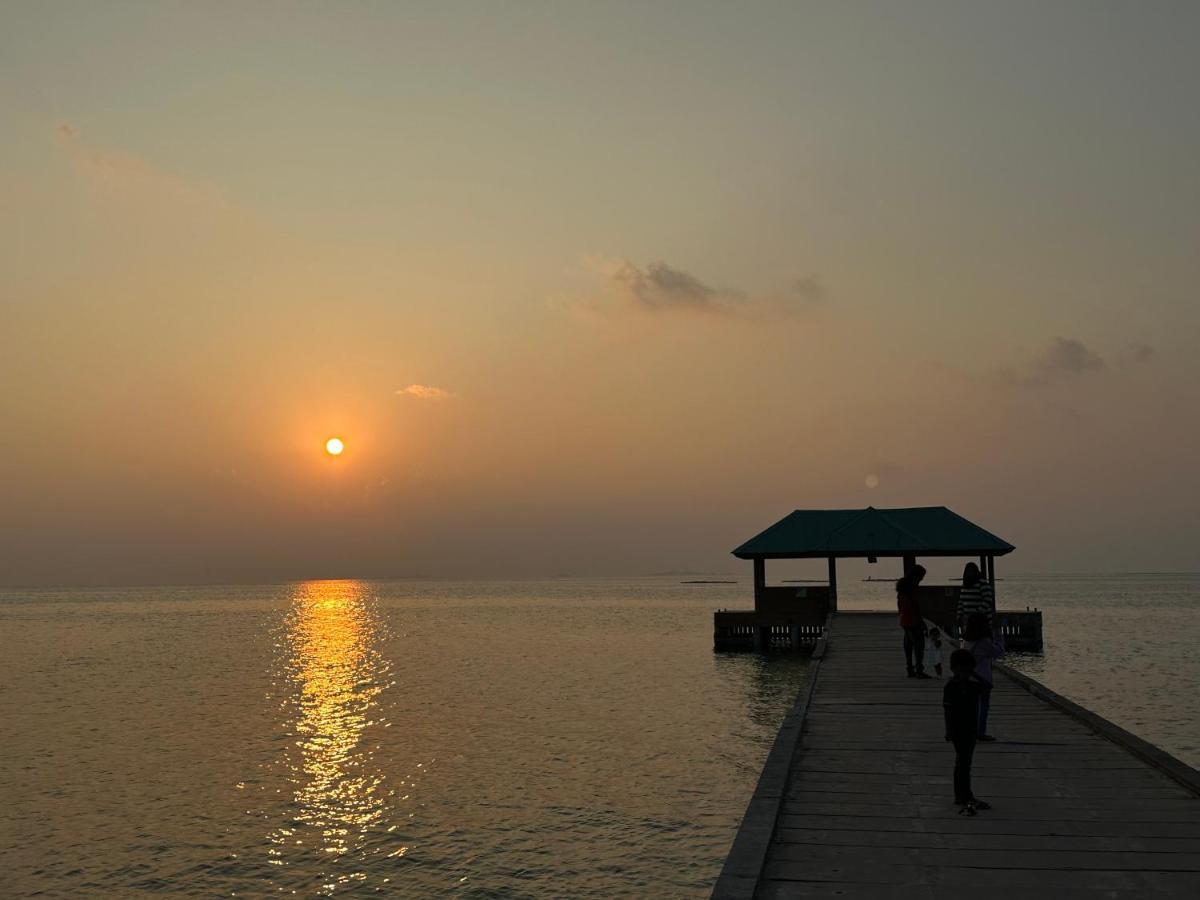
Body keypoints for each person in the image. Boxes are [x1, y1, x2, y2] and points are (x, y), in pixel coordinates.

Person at [943, 648, 992, 815]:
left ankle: (961, 795)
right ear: (954, 669)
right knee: (963, 764)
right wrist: (948, 730)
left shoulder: (972, 685)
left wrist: (974, 674)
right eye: (962, 671)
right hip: (958, 729)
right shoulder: (951, 686)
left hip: (971, 729)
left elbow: (987, 686)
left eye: (967, 671)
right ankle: (966, 795)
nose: (965, 674)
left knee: (964, 763)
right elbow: (947, 710)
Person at [963, 612, 1004, 741]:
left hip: (970, 676)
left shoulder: (966, 641)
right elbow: (998, 653)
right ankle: (980, 732)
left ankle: (971, 730)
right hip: (983, 677)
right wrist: (998, 637)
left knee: (972, 705)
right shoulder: (983, 642)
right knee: (984, 706)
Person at [896, 564, 930, 679]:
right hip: (913, 620)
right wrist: (922, 623)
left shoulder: (901, 587)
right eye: (921, 576)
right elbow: (915, 607)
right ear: (916, 576)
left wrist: (901, 614)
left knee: (908, 644)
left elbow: (899, 605)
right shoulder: (912, 588)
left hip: (905, 619)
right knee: (918, 645)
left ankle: (910, 669)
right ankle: (919, 670)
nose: (922, 579)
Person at [957, 562, 995, 639]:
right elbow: (961, 602)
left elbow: (987, 599)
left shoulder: (982, 583)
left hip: (982, 623)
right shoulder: (965, 586)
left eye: (971, 571)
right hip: (968, 623)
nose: (969, 574)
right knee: (970, 643)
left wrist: (977, 613)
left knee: (983, 643)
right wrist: (959, 615)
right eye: (968, 571)